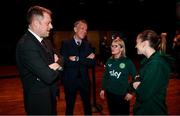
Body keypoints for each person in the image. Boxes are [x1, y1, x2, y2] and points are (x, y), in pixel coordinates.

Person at [16, 5, 62, 115]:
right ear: (36, 24)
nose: (51, 26)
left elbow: (61, 58)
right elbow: (49, 76)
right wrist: (57, 65)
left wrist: (56, 64)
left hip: (51, 97)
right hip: (38, 103)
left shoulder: (46, 41)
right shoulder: (26, 45)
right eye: (48, 23)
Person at [133, 30, 174, 115]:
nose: (135, 46)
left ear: (144, 43)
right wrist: (137, 82)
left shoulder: (156, 64)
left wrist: (137, 85)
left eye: (137, 43)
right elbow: (137, 78)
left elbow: (143, 93)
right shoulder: (148, 61)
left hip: (152, 110)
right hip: (144, 108)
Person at [60, 19, 95, 115]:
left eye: (86, 29)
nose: (85, 31)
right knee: (69, 107)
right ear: (75, 29)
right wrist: (85, 59)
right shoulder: (66, 44)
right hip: (70, 81)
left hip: (84, 81)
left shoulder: (88, 45)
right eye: (82, 28)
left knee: (87, 106)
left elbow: (92, 63)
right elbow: (65, 63)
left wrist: (77, 59)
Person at [99, 37, 137, 115]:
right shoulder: (109, 60)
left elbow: (136, 77)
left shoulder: (127, 62)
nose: (112, 48)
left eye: (115, 46)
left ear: (121, 48)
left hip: (122, 94)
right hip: (110, 93)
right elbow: (106, 76)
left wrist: (131, 92)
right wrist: (103, 89)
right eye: (112, 46)